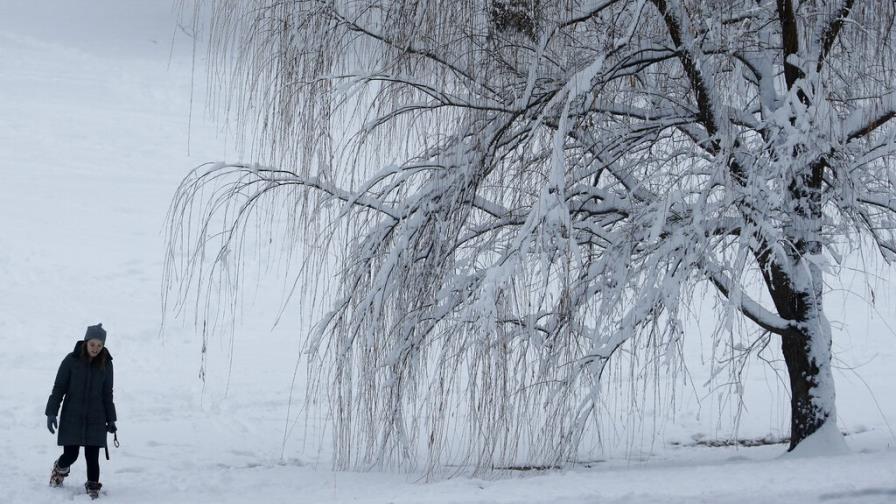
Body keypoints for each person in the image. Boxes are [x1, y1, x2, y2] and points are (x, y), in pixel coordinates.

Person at [45, 323, 117, 499]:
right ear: (86, 342)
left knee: (92, 456)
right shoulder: (71, 360)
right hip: (72, 415)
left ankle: (93, 485)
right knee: (71, 454)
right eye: (93, 344)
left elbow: (108, 393)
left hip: (96, 417)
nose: (96, 348)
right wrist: (52, 412)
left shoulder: (106, 364)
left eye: (100, 345)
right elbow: (59, 387)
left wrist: (111, 419)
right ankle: (59, 469)